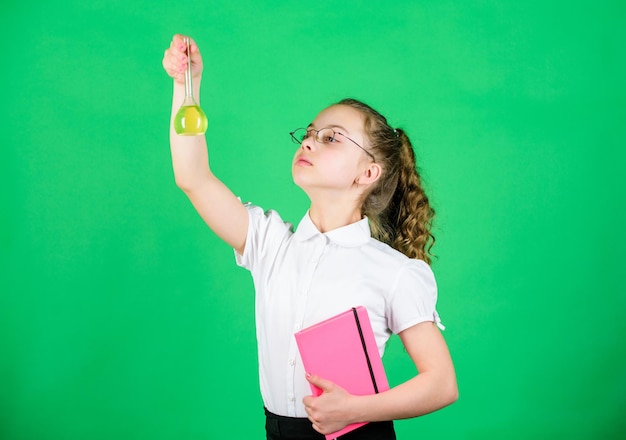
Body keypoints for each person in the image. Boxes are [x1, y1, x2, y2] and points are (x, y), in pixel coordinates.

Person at [162, 34, 458, 440]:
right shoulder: (268, 243)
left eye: (331, 137)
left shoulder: (396, 272)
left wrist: (355, 409)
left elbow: (441, 383)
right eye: (311, 132)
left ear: (367, 174)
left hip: (357, 433)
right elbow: (192, 177)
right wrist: (186, 87)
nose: (309, 141)